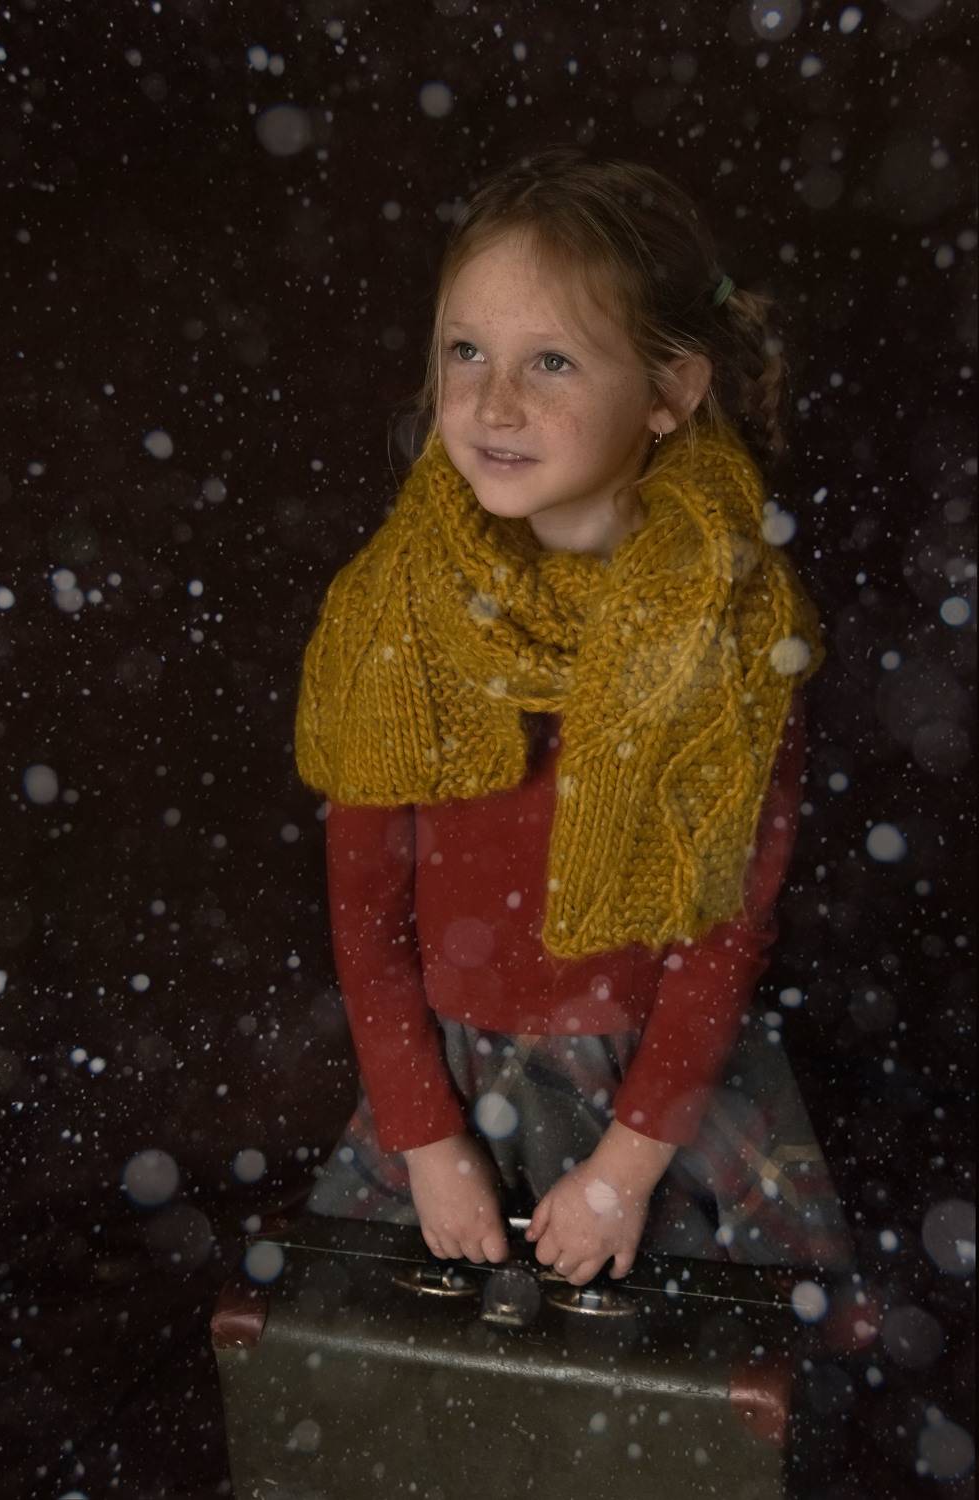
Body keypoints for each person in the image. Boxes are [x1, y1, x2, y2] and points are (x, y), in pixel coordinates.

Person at [293, 145, 854, 1287]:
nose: (493, 402)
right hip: (449, 1087)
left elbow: (724, 932)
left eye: (551, 360)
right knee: (400, 1366)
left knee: (694, 1365)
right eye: (466, 351)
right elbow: (365, 915)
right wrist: (426, 1140)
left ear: (669, 394)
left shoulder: (734, 629)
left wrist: (622, 1172)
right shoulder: (394, 613)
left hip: (654, 1095)